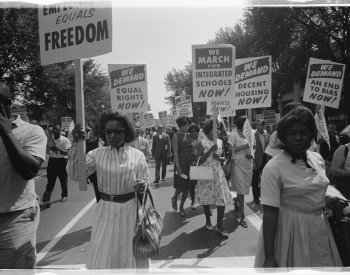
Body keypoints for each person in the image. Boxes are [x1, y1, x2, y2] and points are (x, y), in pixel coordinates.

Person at [254, 106, 347, 267]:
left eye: (303, 133)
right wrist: (269, 255)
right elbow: (270, 213)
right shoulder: (273, 167)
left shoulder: (317, 159)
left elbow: (314, 189)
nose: (298, 138)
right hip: (290, 233)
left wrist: (326, 200)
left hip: (319, 228)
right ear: (284, 136)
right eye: (292, 133)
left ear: (311, 135)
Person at [67, 111, 150, 269]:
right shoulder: (96, 155)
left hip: (131, 211)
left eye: (118, 131)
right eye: (108, 131)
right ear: (103, 133)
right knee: (103, 254)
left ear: (126, 131)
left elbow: (145, 179)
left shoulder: (138, 155)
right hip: (106, 210)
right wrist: (75, 145)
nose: (113, 135)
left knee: (130, 256)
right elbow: (75, 174)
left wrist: (142, 185)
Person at [0, 82, 47, 268]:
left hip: (15, 218)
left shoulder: (31, 131)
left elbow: (29, 170)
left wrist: (5, 131)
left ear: (7, 104)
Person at [196, 119, 234, 237]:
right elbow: (199, 161)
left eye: (217, 128)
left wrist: (220, 159)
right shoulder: (201, 142)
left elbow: (223, 159)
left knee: (221, 199)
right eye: (213, 128)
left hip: (218, 173)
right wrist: (210, 151)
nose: (216, 130)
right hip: (205, 172)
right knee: (206, 198)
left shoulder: (220, 142)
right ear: (208, 130)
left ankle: (219, 225)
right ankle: (208, 220)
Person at [228, 116, 253, 228]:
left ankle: (236, 200)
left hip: (248, 166)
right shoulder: (233, 135)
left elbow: (253, 148)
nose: (248, 125)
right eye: (246, 123)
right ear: (241, 124)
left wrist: (250, 154)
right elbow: (229, 150)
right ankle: (243, 217)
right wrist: (243, 146)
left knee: (243, 190)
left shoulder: (250, 134)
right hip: (237, 165)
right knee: (241, 191)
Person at [40, 124, 71, 209]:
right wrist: (50, 149)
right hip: (52, 161)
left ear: (60, 130)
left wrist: (59, 150)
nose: (56, 131)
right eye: (54, 130)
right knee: (50, 182)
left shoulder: (65, 140)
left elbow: (66, 153)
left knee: (63, 179)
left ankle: (64, 195)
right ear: (52, 131)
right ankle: (45, 200)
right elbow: (46, 150)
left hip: (62, 161)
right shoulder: (50, 139)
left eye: (58, 130)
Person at [171, 116, 193, 216]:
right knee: (180, 186)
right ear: (180, 126)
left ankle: (181, 207)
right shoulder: (176, 136)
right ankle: (175, 197)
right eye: (186, 125)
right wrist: (178, 166)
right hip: (180, 164)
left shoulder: (189, 135)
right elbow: (175, 152)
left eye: (188, 125)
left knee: (187, 188)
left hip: (189, 164)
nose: (187, 127)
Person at [86, 124, 106, 203]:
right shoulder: (91, 144)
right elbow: (85, 162)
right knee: (100, 201)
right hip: (97, 178)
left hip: (113, 177)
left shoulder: (115, 144)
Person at [251, 119, 269, 204]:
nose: (258, 126)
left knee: (265, 178)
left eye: (260, 125)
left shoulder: (266, 135)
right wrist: (253, 160)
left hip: (265, 158)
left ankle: (263, 195)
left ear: (263, 126)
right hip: (256, 159)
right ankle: (256, 197)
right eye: (257, 125)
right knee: (255, 179)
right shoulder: (253, 135)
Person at [188, 123, 202, 210]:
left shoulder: (202, 140)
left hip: (201, 164)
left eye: (196, 131)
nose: (194, 133)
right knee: (192, 185)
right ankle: (193, 202)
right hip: (191, 166)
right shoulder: (188, 141)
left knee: (202, 185)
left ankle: (204, 203)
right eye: (192, 131)